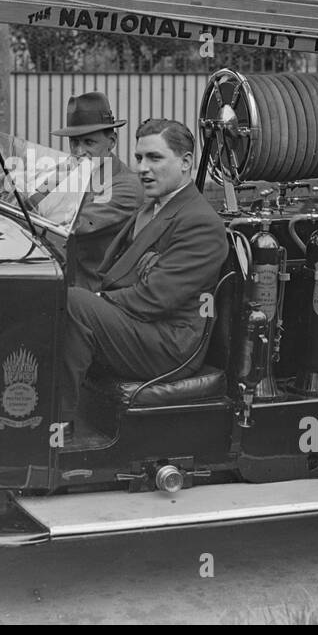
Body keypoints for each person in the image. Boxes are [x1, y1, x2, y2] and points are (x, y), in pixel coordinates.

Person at [60, 119, 229, 417]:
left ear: (186, 162)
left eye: (155, 158)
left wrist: (97, 301)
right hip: (142, 326)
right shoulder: (152, 206)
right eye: (139, 158)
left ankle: (55, 427)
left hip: (169, 343)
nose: (142, 168)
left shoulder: (199, 221)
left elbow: (156, 298)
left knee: (75, 303)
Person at [49, 92, 142, 290]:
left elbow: (76, 224)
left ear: (112, 142)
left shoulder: (126, 187)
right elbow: (34, 192)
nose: (79, 151)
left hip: (95, 293)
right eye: (74, 142)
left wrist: (31, 200)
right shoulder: (70, 169)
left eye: (89, 142)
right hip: (57, 279)